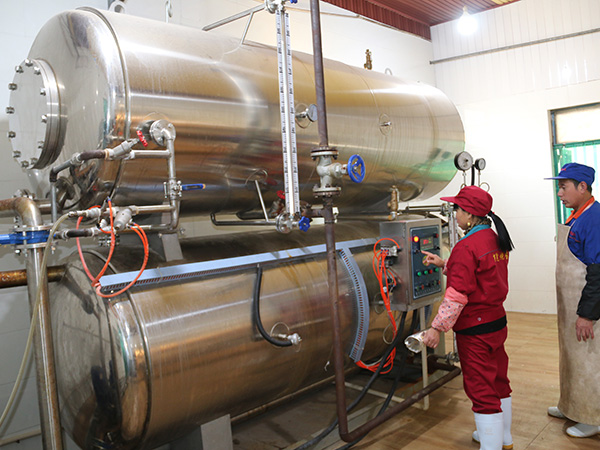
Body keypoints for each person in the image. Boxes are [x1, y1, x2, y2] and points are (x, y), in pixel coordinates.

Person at [420, 185, 515, 450]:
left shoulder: (466, 246)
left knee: (480, 387)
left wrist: (437, 328)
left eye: (457, 209)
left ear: (470, 214)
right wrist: (445, 264)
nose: (455, 215)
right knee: (498, 380)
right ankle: (503, 438)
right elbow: (482, 274)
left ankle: (491, 445)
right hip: (497, 322)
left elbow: (457, 295)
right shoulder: (494, 238)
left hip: (475, 329)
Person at [545, 162, 600, 438]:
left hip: (586, 310)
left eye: (563, 187)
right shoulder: (576, 216)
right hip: (569, 308)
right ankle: (571, 405)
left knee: (589, 363)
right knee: (571, 359)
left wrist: (587, 315)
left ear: (582, 186)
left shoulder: (594, 218)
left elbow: (598, 272)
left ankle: (592, 418)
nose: (559, 193)